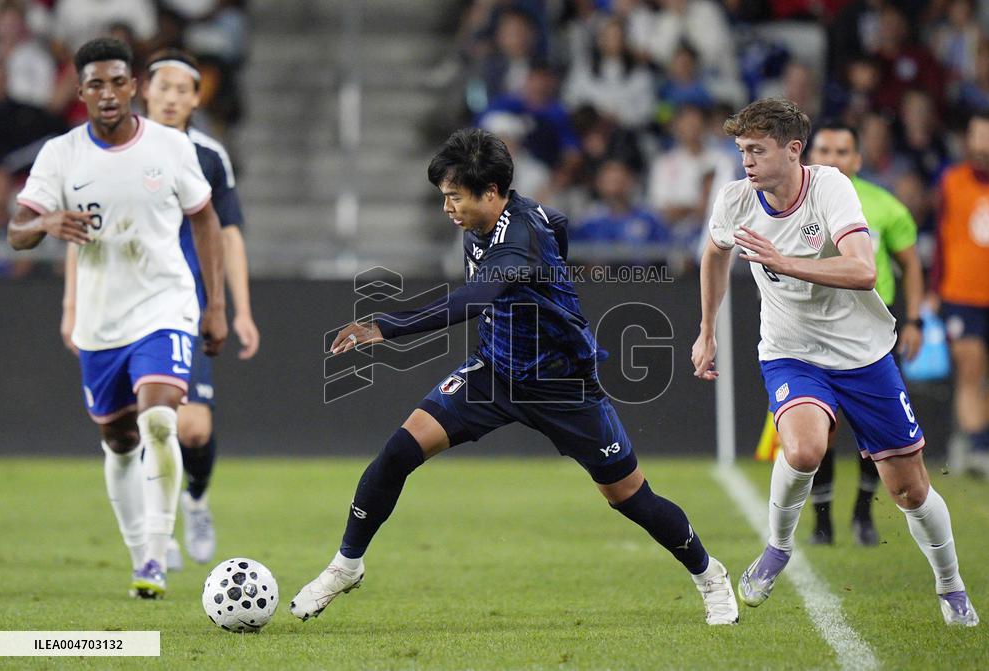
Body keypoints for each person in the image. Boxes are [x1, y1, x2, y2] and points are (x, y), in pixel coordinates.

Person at [290, 128, 739, 626]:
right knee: (398, 452)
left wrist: (384, 326)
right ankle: (346, 566)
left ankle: (709, 575)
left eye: (454, 197)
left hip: (562, 384)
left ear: (490, 192)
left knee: (630, 498)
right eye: (444, 196)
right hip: (494, 372)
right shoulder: (500, 218)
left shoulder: (519, 236)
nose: (447, 208)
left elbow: (471, 300)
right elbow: (559, 223)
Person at [693, 98, 977, 626]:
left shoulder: (830, 188)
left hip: (862, 354)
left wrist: (785, 263)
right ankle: (778, 547)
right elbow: (714, 254)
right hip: (791, 352)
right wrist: (707, 329)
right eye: (742, 150)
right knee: (803, 450)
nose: (746, 161)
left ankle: (950, 585)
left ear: (793, 150)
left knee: (909, 489)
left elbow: (864, 271)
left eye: (757, 150)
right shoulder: (735, 200)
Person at [7, 37, 227, 599]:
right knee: (120, 439)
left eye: (118, 82)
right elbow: (17, 230)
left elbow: (205, 219)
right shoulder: (61, 155)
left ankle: (155, 555)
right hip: (101, 320)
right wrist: (45, 223)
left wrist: (216, 305)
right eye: (95, 84)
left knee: (160, 421)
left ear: (134, 87)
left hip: (165, 304)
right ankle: (138, 551)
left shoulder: (170, 148)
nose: (108, 93)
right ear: (80, 93)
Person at [59, 48, 259, 569]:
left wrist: (238, 309)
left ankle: (195, 500)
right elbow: (84, 229)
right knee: (143, 421)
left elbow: (227, 233)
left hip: (179, 308)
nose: (170, 98)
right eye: (162, 87)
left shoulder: (208, 156)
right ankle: (157, 535)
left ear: (196, 99)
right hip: (117, 307)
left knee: (191, 429)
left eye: (182, 90)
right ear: (144, 91)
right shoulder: (108, 148)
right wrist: (71, 304)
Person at [755, 121, 926, 546]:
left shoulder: (885, 206)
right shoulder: (798, 199)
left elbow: (910, 264)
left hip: (872, 327)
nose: (833, 159)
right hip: (815, 328)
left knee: (875, 432)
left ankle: (863, 514)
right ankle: (822, 519)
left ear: (858, 159)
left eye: (842, 152)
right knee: (819, 431)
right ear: (809, 155)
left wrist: (915, 319)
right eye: (825, 151)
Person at [933, 110, 989, 482]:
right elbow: (941, 239)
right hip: (962, 294)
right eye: (978, 135)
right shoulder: (952, 181)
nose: (983, 142)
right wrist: (934, 290)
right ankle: (979, 447)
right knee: (970, 369)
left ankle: (983, 441)